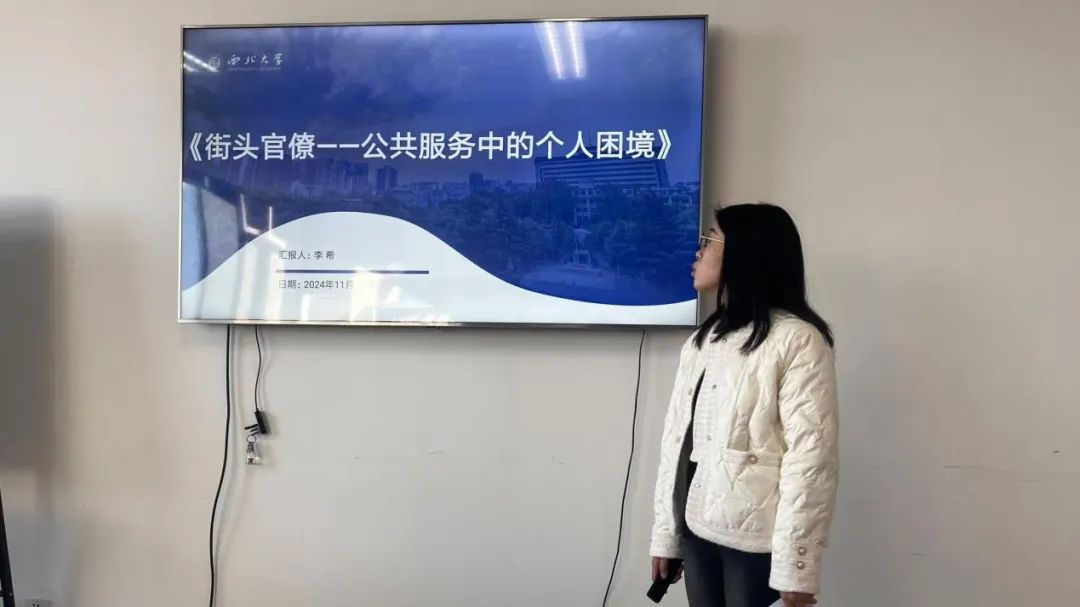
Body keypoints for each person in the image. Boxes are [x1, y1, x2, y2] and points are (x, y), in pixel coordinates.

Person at [650, 203, 839, 607]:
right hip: (695, 523)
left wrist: (796, 566)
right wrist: (666, 533)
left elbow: (811, 458)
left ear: (745, 254)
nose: (699, 251)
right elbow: (676, 445)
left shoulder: (797, 340)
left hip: (754, 538)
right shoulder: (702, 340)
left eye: (710, 240)